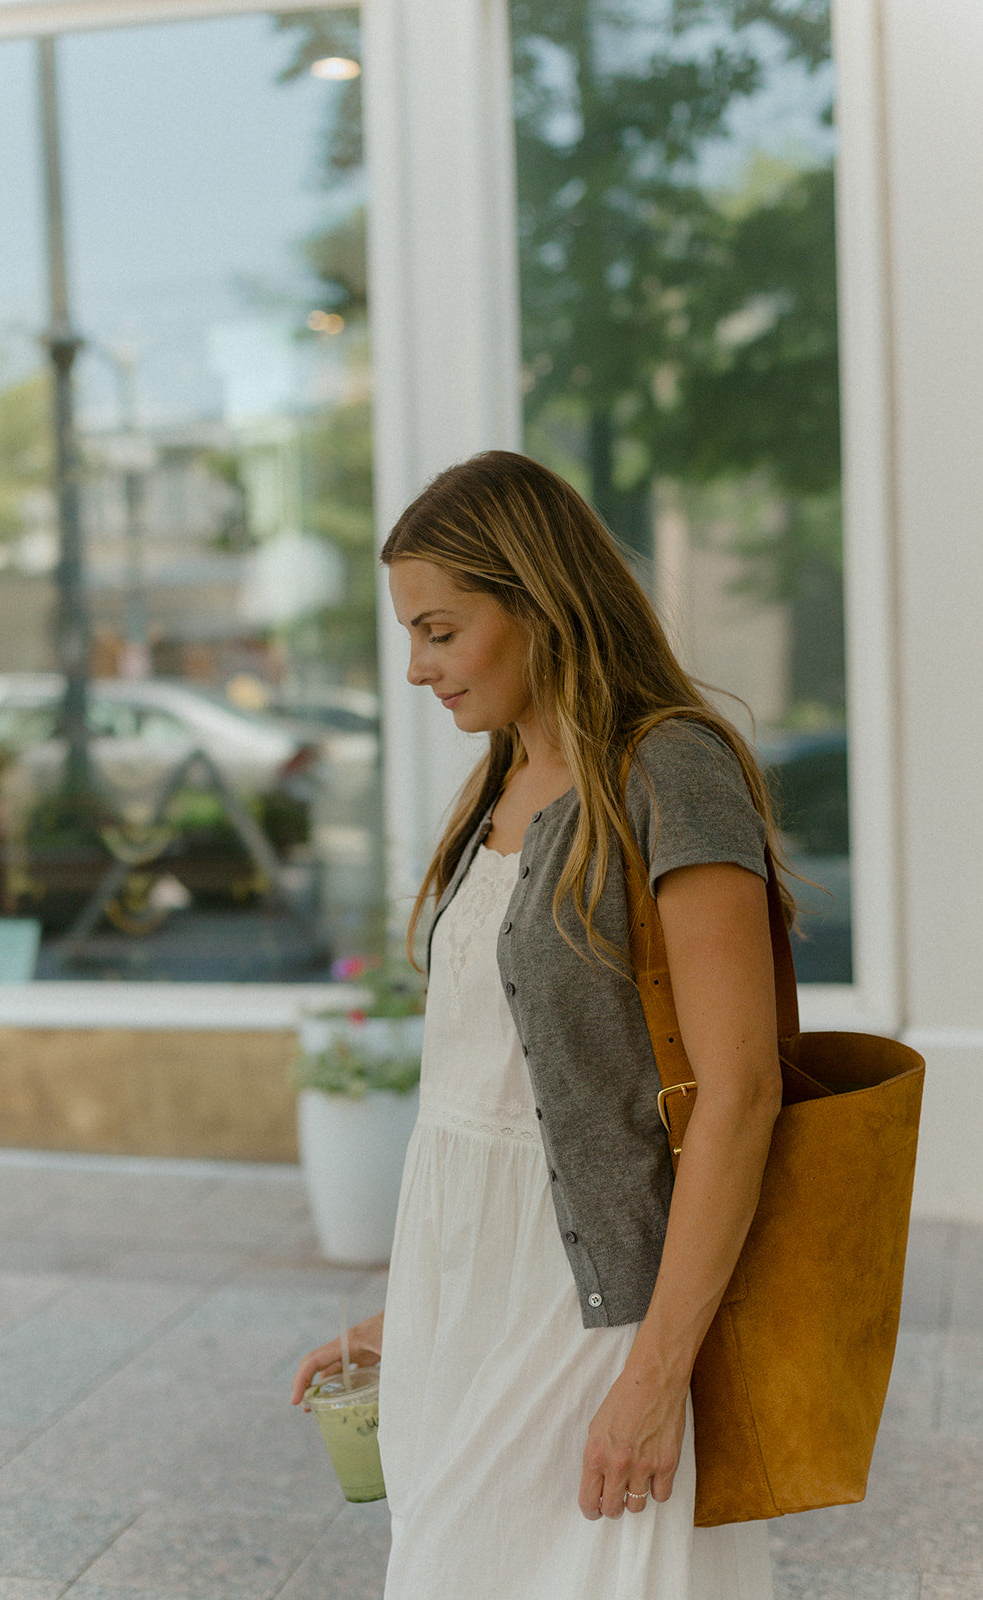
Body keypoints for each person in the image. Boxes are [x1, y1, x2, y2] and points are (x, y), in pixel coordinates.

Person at [292, 450, 786, 1599]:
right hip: (470, 1310)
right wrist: (403, 1314)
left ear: (536, 601)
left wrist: (656, 1376)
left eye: (439, 630)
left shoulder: (669, 770)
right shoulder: (501, 780)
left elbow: (739, 1090)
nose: (416, 668)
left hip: (601, 1319)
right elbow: (493, 1095)